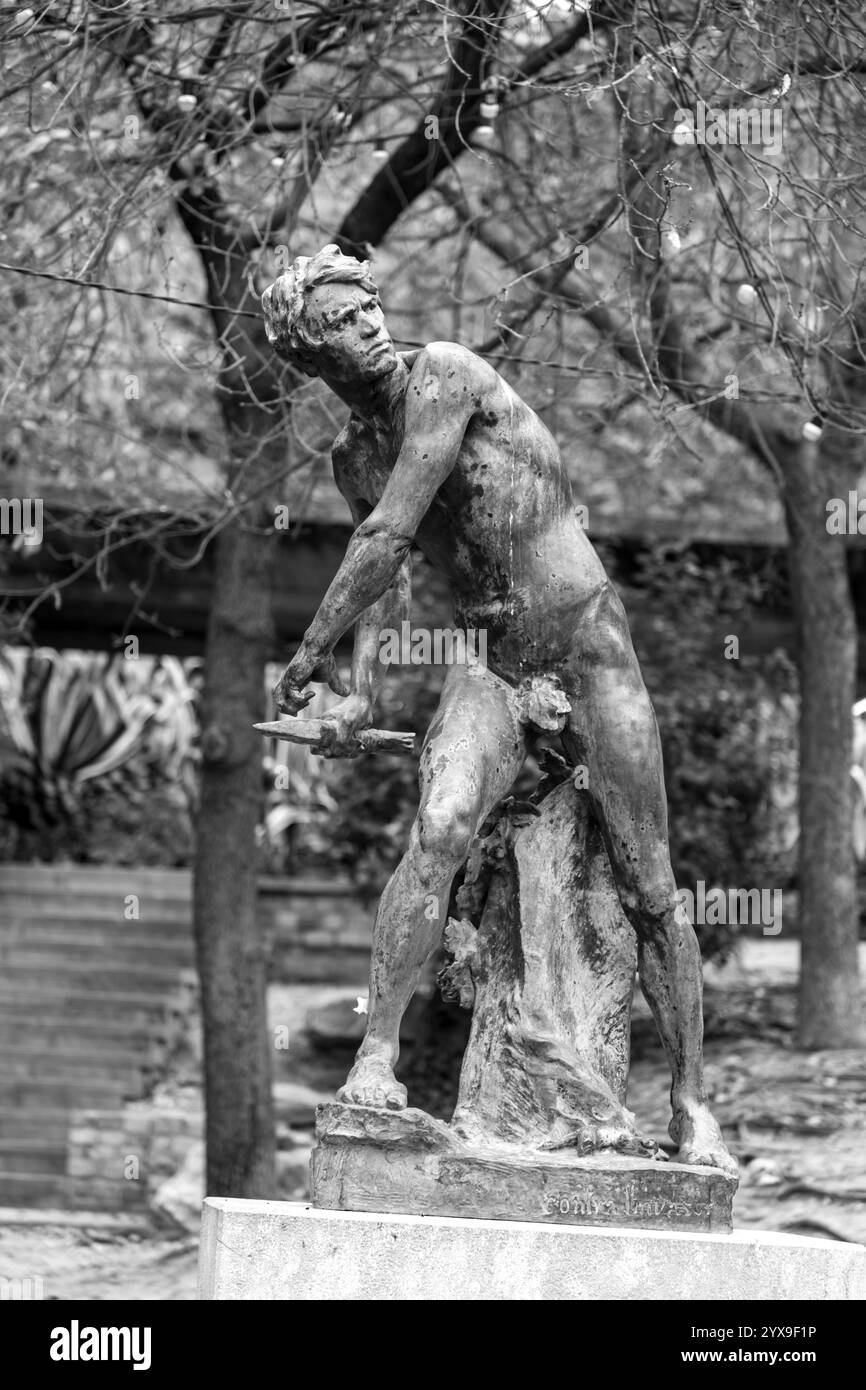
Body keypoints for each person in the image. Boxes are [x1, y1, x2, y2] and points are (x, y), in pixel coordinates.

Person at [261, 245, 736, 1175]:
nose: (368, 325)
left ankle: (690, 1106)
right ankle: (376, 1059)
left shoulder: (447, 375)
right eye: (341, 323)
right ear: (310, 357)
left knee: (650, 885)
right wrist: (360, 696)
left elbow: (390, 528)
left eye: (366, 305)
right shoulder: (352, 453)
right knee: (437, 830)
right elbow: (392, 581)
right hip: (489, 663)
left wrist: (310, 649)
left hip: (586, 649)